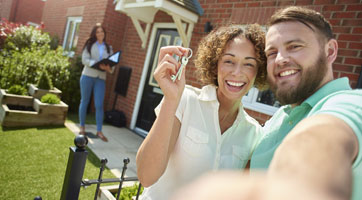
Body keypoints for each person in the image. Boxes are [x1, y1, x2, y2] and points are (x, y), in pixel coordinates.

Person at [173, 6, 362, 200]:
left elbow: (323, 138)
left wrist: (300, 186)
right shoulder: (278, 119)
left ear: (329, 51)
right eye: (272, 52)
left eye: (294, 46)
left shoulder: (350, 103)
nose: (280, 59)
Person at [136, 24, 268, 200]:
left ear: (258, 72)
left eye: (249, 64)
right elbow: (146, 176)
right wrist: (170, 99)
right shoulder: (185, 101)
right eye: (229, 61)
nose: (237, 72)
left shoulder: (254, 133)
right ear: (215, 65)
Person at [79, 24, 113, 142]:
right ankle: (82, 127)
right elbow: (84, 60)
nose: (100, 34)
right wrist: (97, 63)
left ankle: (99, 131)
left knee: (99, 104)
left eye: (102, 32)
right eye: (98, 32)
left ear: (104, 34)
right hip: (88, 76)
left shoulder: (108, 48)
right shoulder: (89, 45)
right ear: (95, 34)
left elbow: (111, 66)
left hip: (101, 78)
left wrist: (108, 68)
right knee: (85, 101)